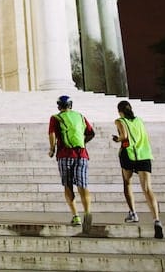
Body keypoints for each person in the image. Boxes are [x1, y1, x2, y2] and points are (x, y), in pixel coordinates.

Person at [113, 100, 164, 239]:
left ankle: (133, 212)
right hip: (144, 155)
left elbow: (124, 137)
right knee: (147, 189)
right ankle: (157, 220)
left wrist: (117, 139)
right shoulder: (140, 120)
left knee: (127, 182)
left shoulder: (119, 121)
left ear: (120, 111)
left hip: (128, 154)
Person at [48, 95, 95, 233]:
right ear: (71, 105)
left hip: (65, 155)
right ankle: (87, 212)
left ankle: (76, 216)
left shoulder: (56, 118)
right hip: (82, 154)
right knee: (83, 185)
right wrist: (82, 142)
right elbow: (91, 133)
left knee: (68, 185)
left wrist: (52, 149)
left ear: (59, 106)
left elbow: (52, 134)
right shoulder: (80, 116)